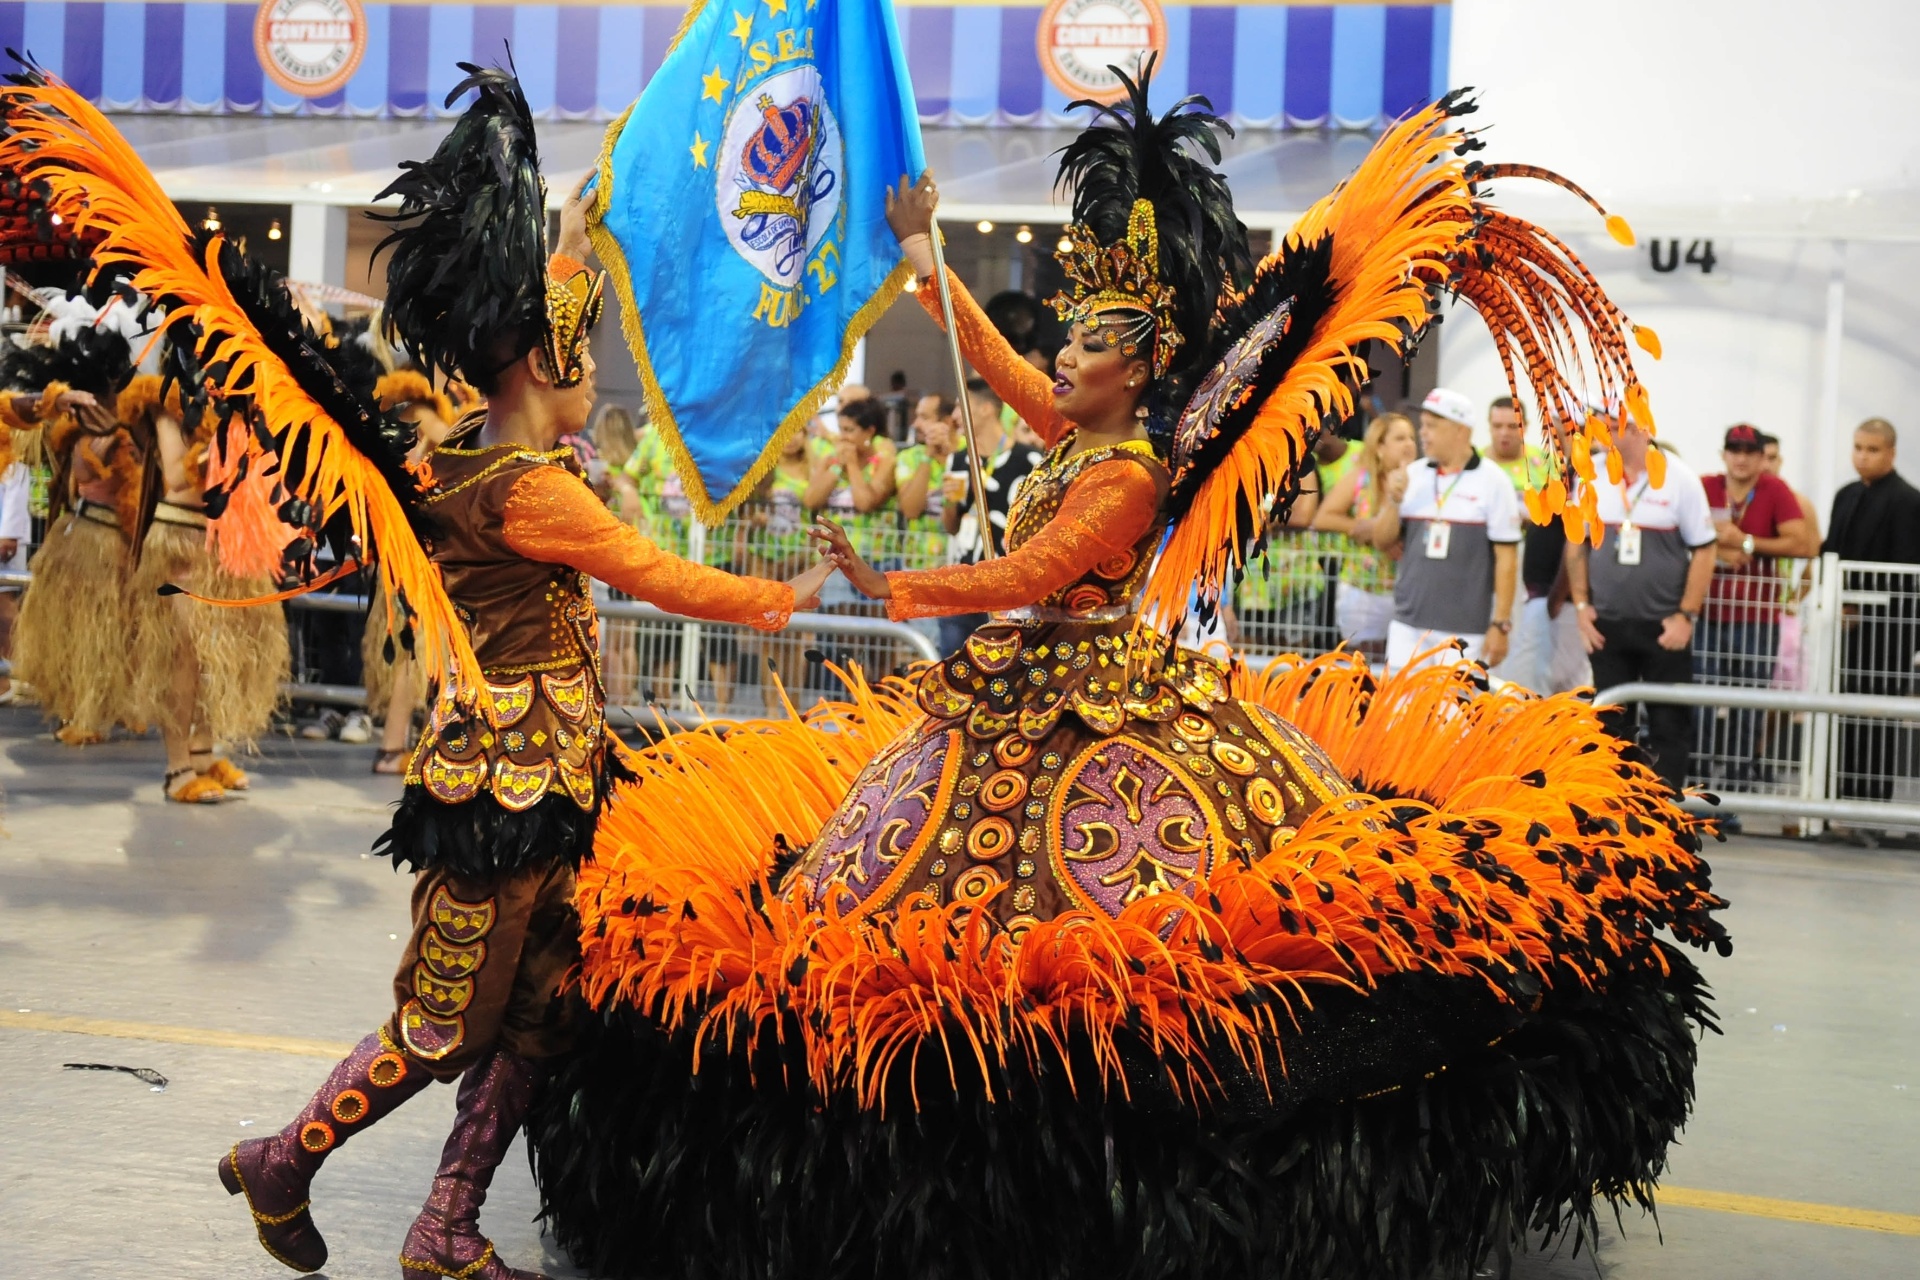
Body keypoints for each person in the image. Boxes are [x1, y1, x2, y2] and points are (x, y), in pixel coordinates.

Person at [533, 79, 1728, 1280]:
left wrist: (892, 590)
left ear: (1144, 363)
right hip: (1016, 684)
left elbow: (1034, 566)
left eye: (1092, 342)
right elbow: (993, 362)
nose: (1065, 352)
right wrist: (917, 250)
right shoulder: (1075, 436)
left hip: (1108, 692)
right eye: (1071, 334)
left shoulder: (1132, 478)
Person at [0, 66, 837, 1279]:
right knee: (442, 1022)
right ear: (547, 365)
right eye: (583, 356)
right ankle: (287, 1155)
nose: (596, 373)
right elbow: (662, 575)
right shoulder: (532, 492)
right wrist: (780, 598)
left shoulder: (451, 464)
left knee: (541, 1017)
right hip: (495, 796)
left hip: (551, 783)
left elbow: (564, 464)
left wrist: (567, 223)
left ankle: (443, 1225)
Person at [121, 373, 290, 802]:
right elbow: (178, 477)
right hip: (181, 542)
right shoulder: (167, 400)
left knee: (223, 654)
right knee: (182, 659)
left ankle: (201, 753)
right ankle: (177, 768)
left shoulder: (242, 402)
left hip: (226, 542)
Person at [1565, 420, 1717, 793]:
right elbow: (1575, 544)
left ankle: (1666, 811)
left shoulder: (1679, 478)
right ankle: (1611, 806)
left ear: (1636, 430)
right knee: (1610, 725)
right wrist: (1581, 605)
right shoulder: (1589, 476)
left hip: (1664, 626)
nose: (1599, 437)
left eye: (1609, 428)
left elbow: (1705, 549)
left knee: (1669, 722)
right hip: (1607, 625)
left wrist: (1686, 615)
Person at [1372, 387, 1521, 674]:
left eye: (1432, 426)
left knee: (1456, 717)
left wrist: (1500, 624)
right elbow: (1381, 540)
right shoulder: (1412, 475)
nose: (1423, 434)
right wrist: (1393, 500)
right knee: (1399, 715)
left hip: (1466, 632)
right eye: (1423, 425)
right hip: (1408, 626)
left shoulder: (1493, 481)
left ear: (1460, 431)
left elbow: (1507, 559)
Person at [1698, 424, 1808, 782]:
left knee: (1748, 705)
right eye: (1734, 449)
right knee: (1698, 700)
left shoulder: (1775, 489)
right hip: (1705, 614)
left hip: (1756, 618)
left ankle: (1736, 784)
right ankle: (1694, 785)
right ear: (1723, 454)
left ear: (1763, 458)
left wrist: (1745, 542)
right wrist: (1720, 550)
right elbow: (1682, 533)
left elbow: (1803, 544)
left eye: (1749, 451)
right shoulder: (1704, 486)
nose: (1741, 457)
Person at [363, 371, 458, 774]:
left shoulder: (399, 413)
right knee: (412, 645)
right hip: (413, 547)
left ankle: (398, 743)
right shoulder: (421, 413)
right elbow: (458, 446)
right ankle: (390, 748)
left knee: (414, 645)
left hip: (405, 541)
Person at [1823, 418, 1920, 803]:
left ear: (1891, 453)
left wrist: (1857, 604)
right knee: (1841, 711)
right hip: (1842, 626)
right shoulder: (1845, 495)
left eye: (1872, 449)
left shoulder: (1908, 501)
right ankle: (1841, 795)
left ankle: (1871, 801)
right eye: (1858, 447)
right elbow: (1831, 551)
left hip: (1888, 632)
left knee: (1877, 716)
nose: (1862, 456)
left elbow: (1905, 570)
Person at [1485, 396, 1588, 693]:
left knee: (1533, 679)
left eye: (1558, 427)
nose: (1554, 434)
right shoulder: (1564, 469)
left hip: (1551, 597)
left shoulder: (1569, 471)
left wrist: (1559, 594)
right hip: (1537, 593)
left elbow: (1575, 538)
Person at [936, 376, 1046, 654]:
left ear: (986, 409)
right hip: (963, 585)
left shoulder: (1031, 461)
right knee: (953, 666)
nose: (954, 416)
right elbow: (951, 527)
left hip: (1008, 590)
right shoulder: (958, 460)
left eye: (962, 407)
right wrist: (950, 501)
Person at [1312, 411, 1416, 659]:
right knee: (1360, 665)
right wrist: (1366, 529)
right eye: (1400, 438)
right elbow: (1323, 518)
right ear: (1380, 446)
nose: (1409, 444)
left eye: (1412, 438)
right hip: (1363, 589)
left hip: (1407, 592)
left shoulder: (1421, 479)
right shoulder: (1361, 478)